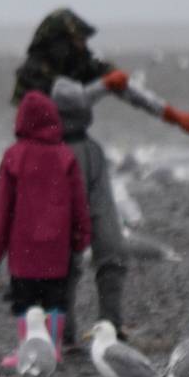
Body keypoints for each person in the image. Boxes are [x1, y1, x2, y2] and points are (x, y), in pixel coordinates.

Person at [12, 9, 189, 345]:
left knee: (111, 242)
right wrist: (104, 85)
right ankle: (65, 334)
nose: (82, 46)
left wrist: (173, 116)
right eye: (75, 40)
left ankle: (111, 326)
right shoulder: (33, 74)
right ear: (58, 41)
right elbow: (68, 97)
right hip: (50, 162)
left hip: (88, 155)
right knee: (64, 253)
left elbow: (126, 88)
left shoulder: (84, 65)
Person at [0, 90, 90, 360]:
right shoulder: (64, 156)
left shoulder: (14, 156)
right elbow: (79, 202)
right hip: (56, 248)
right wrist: (81, 237)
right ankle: (53, 348)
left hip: (24, 250)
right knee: (55, 300)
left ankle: (27, 350)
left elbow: (1, 206)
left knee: (25, 302)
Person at [48, 78, 130, 339]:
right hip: (84, 175)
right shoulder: (90, 151)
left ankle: (70, 332)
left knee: (69, 264)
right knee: (107, 254)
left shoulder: (59, 150)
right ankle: (107, 326)